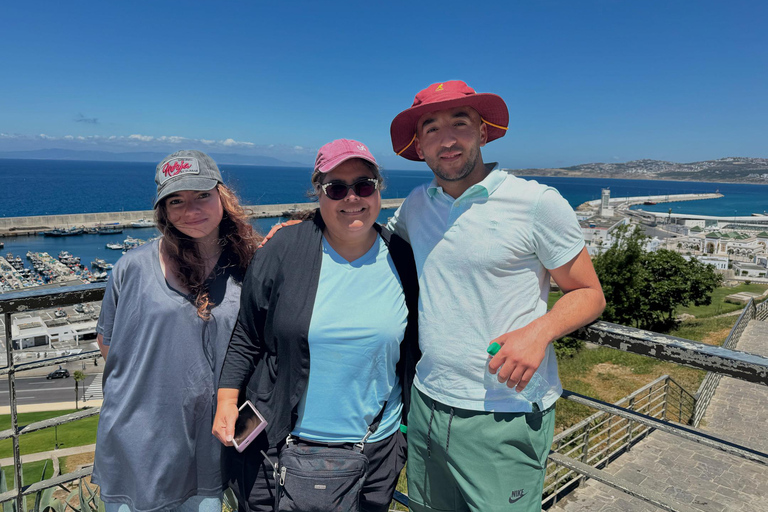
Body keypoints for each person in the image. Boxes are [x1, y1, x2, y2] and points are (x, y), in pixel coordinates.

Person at [387, 80, 606, 512]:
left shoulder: (536, 202)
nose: (447, 139)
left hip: (505, 414)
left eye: (460, 123)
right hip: (427, 403)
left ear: (483, 133)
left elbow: (589, 293)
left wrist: (539, 332)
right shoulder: (417, 204)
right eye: (431, 128)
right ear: (419, 146)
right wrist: (303, 235)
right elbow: (368, 241)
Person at [212, 139, 420, 512]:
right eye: (337, 188)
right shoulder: (283, 249)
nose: (352, 198)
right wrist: (226, 401)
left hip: (375, 451)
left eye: (364, 185)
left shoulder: (403, 257)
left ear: (379, 189)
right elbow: (247, 333)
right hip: (276, 446)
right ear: (318, 193)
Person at [94, 150, 260, 512]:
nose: (191, 209)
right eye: (176, 200)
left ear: (223, 197)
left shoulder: (249, 267)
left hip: (208, 442)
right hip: (137, 441)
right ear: (163, 210)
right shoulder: (131, 268)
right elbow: (108, 345)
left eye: (202, 195)